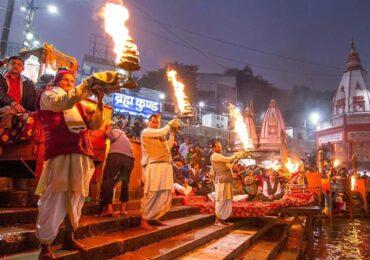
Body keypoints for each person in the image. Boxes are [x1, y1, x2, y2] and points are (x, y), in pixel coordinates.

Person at [35, 69, 105, 259]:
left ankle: (69, 236)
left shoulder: (79, 103)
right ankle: (45, 245)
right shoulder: (48, 96)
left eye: (72, 80)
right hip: (60, 153)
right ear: (57, 82)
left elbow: (95, 125)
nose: (69, 83)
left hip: (82, 153)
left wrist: (99, 101)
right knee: (54, 196)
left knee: (77, 196)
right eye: (65, 80)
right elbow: (62, 103)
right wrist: (86, 86)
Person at [140, 114, 180, 230]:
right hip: (154, 167)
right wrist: (169, 124)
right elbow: (162, 132)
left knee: (163, 194)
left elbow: (168, 147)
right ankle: (144, 219)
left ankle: (153, 216)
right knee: (152, 193)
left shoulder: (160, 136)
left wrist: (172, 134)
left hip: (165, 167)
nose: (155, 124)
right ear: (148, 122)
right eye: (153, 122)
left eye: (157, 122)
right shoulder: (146, 132)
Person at [100, 120, 134, 217]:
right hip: (130, 159)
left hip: (116, 157)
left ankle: (109, 209)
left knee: (108, 179)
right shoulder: (125, 137)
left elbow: (106, 135)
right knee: (125, 182)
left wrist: (106, 130)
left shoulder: (115, 131)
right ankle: (123, 209)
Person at [210, 141, 244, 226]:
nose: (220, 148)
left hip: (227, 181)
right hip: (221, 181)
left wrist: (237, 158)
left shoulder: (220, 156)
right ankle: (217, 220)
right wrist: (236, 154)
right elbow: (228, 159)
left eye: (220, 146)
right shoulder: (214, 156)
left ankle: (222, 219)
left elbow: (229, 166)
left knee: (226, 200)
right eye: (218, 147)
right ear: (213, 148)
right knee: (220, 200)